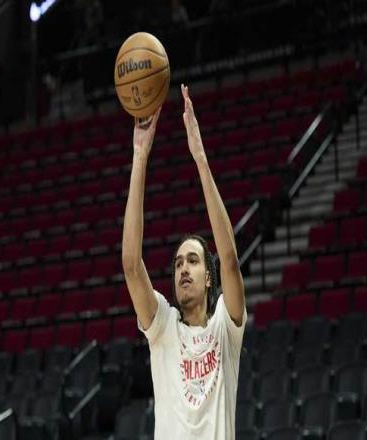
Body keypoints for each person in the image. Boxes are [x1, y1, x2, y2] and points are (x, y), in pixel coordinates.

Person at [122, 84, 247, 440]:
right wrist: (140, 155)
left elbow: (229, 260)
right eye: (178, 264)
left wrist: (200, 159)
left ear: (208, 277)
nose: (182, 269)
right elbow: (131, 265)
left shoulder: (225, 327)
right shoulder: (164, 326)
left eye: (192, 261)